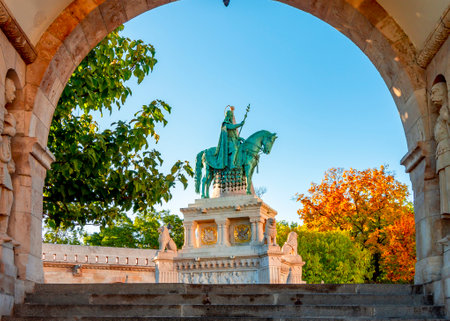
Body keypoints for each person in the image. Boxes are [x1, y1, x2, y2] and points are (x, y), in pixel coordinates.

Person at [432, 81, 450, 215]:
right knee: (445, 186)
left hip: (447, 149)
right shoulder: (441, 114)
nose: (432, 97)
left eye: (434, 93)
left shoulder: (445, 111)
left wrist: (446, 117)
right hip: (442, 151)